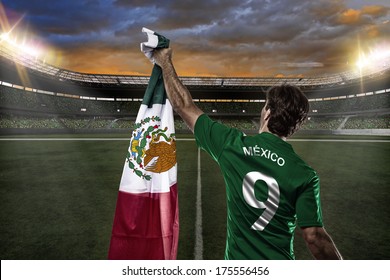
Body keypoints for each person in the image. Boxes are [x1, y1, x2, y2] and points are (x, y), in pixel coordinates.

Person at [152, 47, 343, 260]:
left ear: (268, 113)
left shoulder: (232, 145)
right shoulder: (305, 175)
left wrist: (165, 61)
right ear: (295, 125)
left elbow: (183, 105)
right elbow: (314, 236)